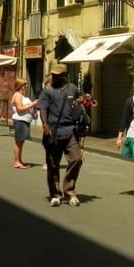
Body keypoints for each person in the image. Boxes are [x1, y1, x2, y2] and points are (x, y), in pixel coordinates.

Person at [37, 64, 82, 207]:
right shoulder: (47, 91)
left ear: (64, 76)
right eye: (53, 75)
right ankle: (55, 194)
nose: (54, 77)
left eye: (57, 75)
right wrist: (45, 124)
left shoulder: (72, 88)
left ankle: (69, 191)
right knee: (53, 164)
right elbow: (43, 108)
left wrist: (80, 103)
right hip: (53, 131)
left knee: (77, 159)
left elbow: (78, 103)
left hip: (70, 131)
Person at [11, 78, 38, 169]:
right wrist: (32, 104)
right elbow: (20, 108)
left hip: (24, 120)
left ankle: (19, 160)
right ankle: (17, 161)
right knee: (19, 141)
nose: (26, 86)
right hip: (20, 120)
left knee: (21, 141)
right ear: (20, 85)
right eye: (24, 84)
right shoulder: (17, 95)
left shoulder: (22, 95)